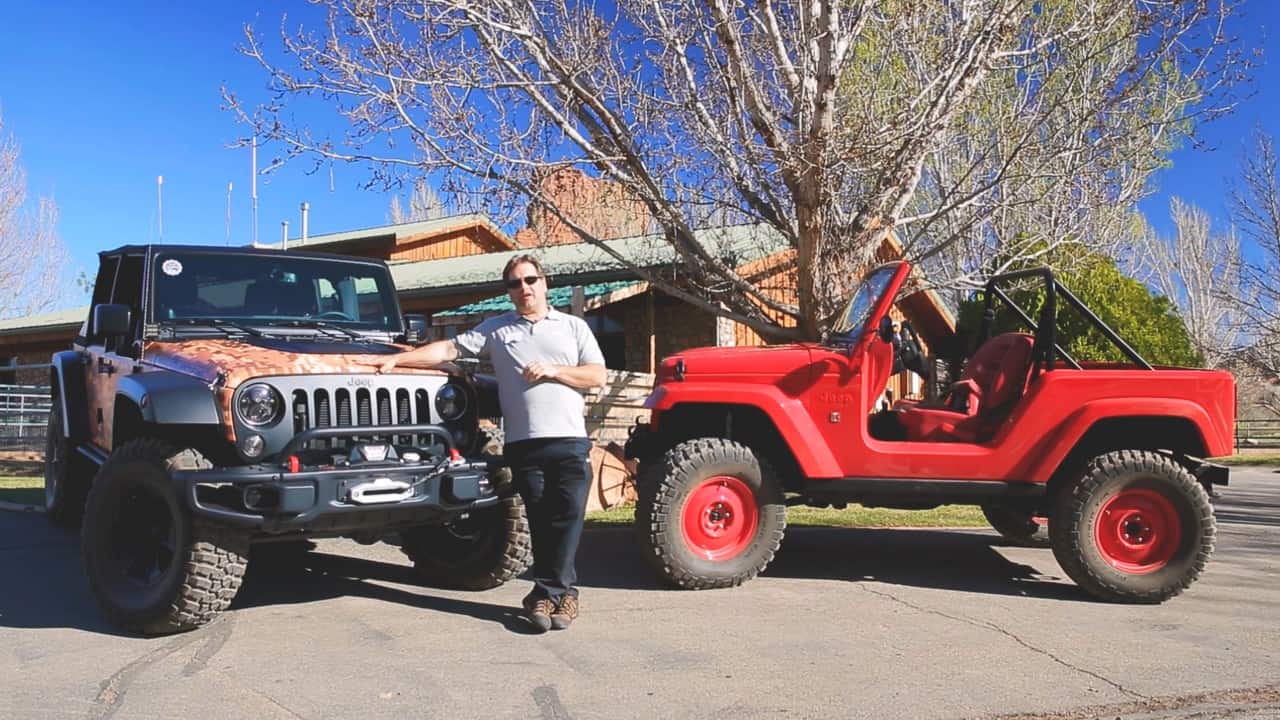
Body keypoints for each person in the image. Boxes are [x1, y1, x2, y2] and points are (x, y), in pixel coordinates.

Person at [378, 254, 607, 632]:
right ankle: (556, 595)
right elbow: (449, 350)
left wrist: (554, 370)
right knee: (539, 520)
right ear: (509, 291)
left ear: (544, 283)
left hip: (569, 440)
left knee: (567, 517)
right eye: (515, 283)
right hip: (525, 444)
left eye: (530, 280)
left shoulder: (573, 327)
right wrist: (398, 362)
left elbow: (596, 375)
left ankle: (552, 592)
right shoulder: (497, 329)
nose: (524, 288)